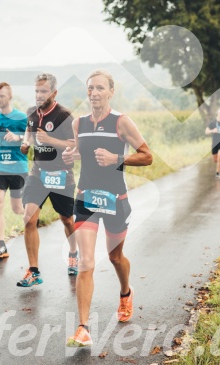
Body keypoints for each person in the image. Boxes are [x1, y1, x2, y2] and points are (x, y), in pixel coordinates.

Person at [63, 70, 152, 347]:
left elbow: (147, 156)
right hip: (86, 197)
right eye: (90, 88)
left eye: (100, 88)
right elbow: (81, 150)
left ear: (111, 92)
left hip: (115, 199)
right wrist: (71, 154)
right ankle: (83, 328)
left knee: (115, 258)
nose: (94, 93)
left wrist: (117, 158)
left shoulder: (121, 122)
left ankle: (125, 293)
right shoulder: (79, 123)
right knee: (87, 262)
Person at [16, 73, 79, 287]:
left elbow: (74, 143)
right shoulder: (31, 112)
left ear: (54, 92)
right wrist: (26, 143)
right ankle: (33, 271)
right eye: (36, 91)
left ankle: (73, 253)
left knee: (67, 220)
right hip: (38, 173)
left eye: (43, 91)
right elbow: (29, 131)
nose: (39, 95)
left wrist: (51, 139)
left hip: (61, 175)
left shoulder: (64, 115)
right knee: (29, 219)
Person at [0, 82, 28, 259]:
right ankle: (1, 246)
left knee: (17, 208)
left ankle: (33, 212)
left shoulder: (22, 117)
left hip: (18, 167)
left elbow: (32, 136)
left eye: (1, 96)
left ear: (10, 97)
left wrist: (19, 137)